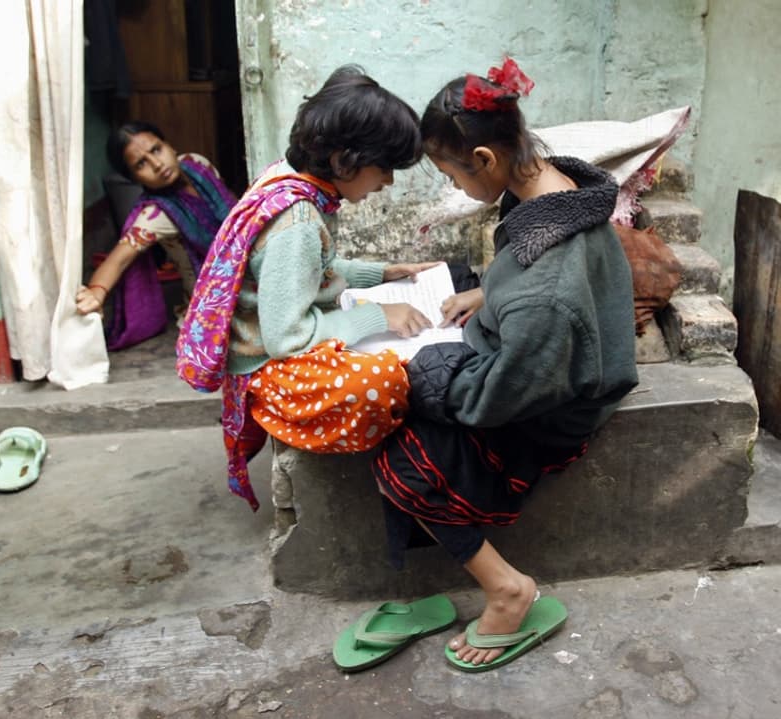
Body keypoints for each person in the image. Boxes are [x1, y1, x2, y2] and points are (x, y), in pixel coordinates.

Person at [370, 58, 639, 671]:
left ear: (487, 159)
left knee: (404, 454)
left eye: (452, 175)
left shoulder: (548, 291)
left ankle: (506, 589)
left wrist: (421, 375)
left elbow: (498, 398)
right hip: (545, 356)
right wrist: (489, 291)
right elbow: (531, 273)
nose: (456, 189)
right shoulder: (560, 195)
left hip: (551, 407)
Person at [176, 66, 439, 510]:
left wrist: (382, 273)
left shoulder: (288, 179)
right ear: (345, 161)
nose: (388, 182)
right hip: (266, 369)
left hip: (271, 342)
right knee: (384, 379)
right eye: (386, 168)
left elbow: (312, 269)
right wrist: (379, 316)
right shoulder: (295, 222)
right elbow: (286, 339)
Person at [76, 122, 237, 350]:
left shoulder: (197, 164)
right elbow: (118, 259)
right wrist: (96, 292)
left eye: (156, 150)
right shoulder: (155, 215)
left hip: (241, 268)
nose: (157, 164)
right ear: (135, 179)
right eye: (142, 164)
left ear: (169, 146)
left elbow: (234, 208)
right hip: (210, 301)